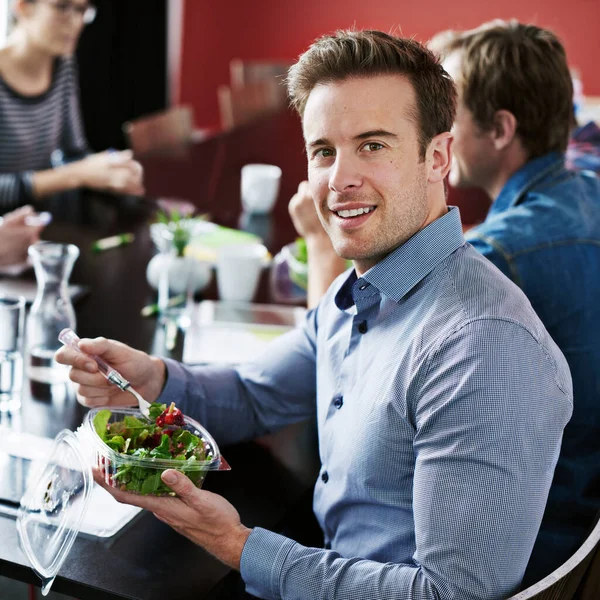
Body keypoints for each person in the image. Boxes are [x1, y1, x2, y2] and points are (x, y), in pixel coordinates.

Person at [57, 30, 573, 600]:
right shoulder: (366, 284)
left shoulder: (481, 347)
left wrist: (235, 544)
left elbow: (449, 596)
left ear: (437, 157)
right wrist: (152, 377)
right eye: (324, 151)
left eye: (373, 145)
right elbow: (258, 393)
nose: (339, 179)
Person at [0, 0, 144, 215]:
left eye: (81, 10)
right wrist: (75, 174)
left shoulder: (63, 65)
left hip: (40, 221)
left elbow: (74, 151)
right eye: (62, 7)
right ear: (23, 7)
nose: (76, 22)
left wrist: (112, 168)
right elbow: (76, 169)